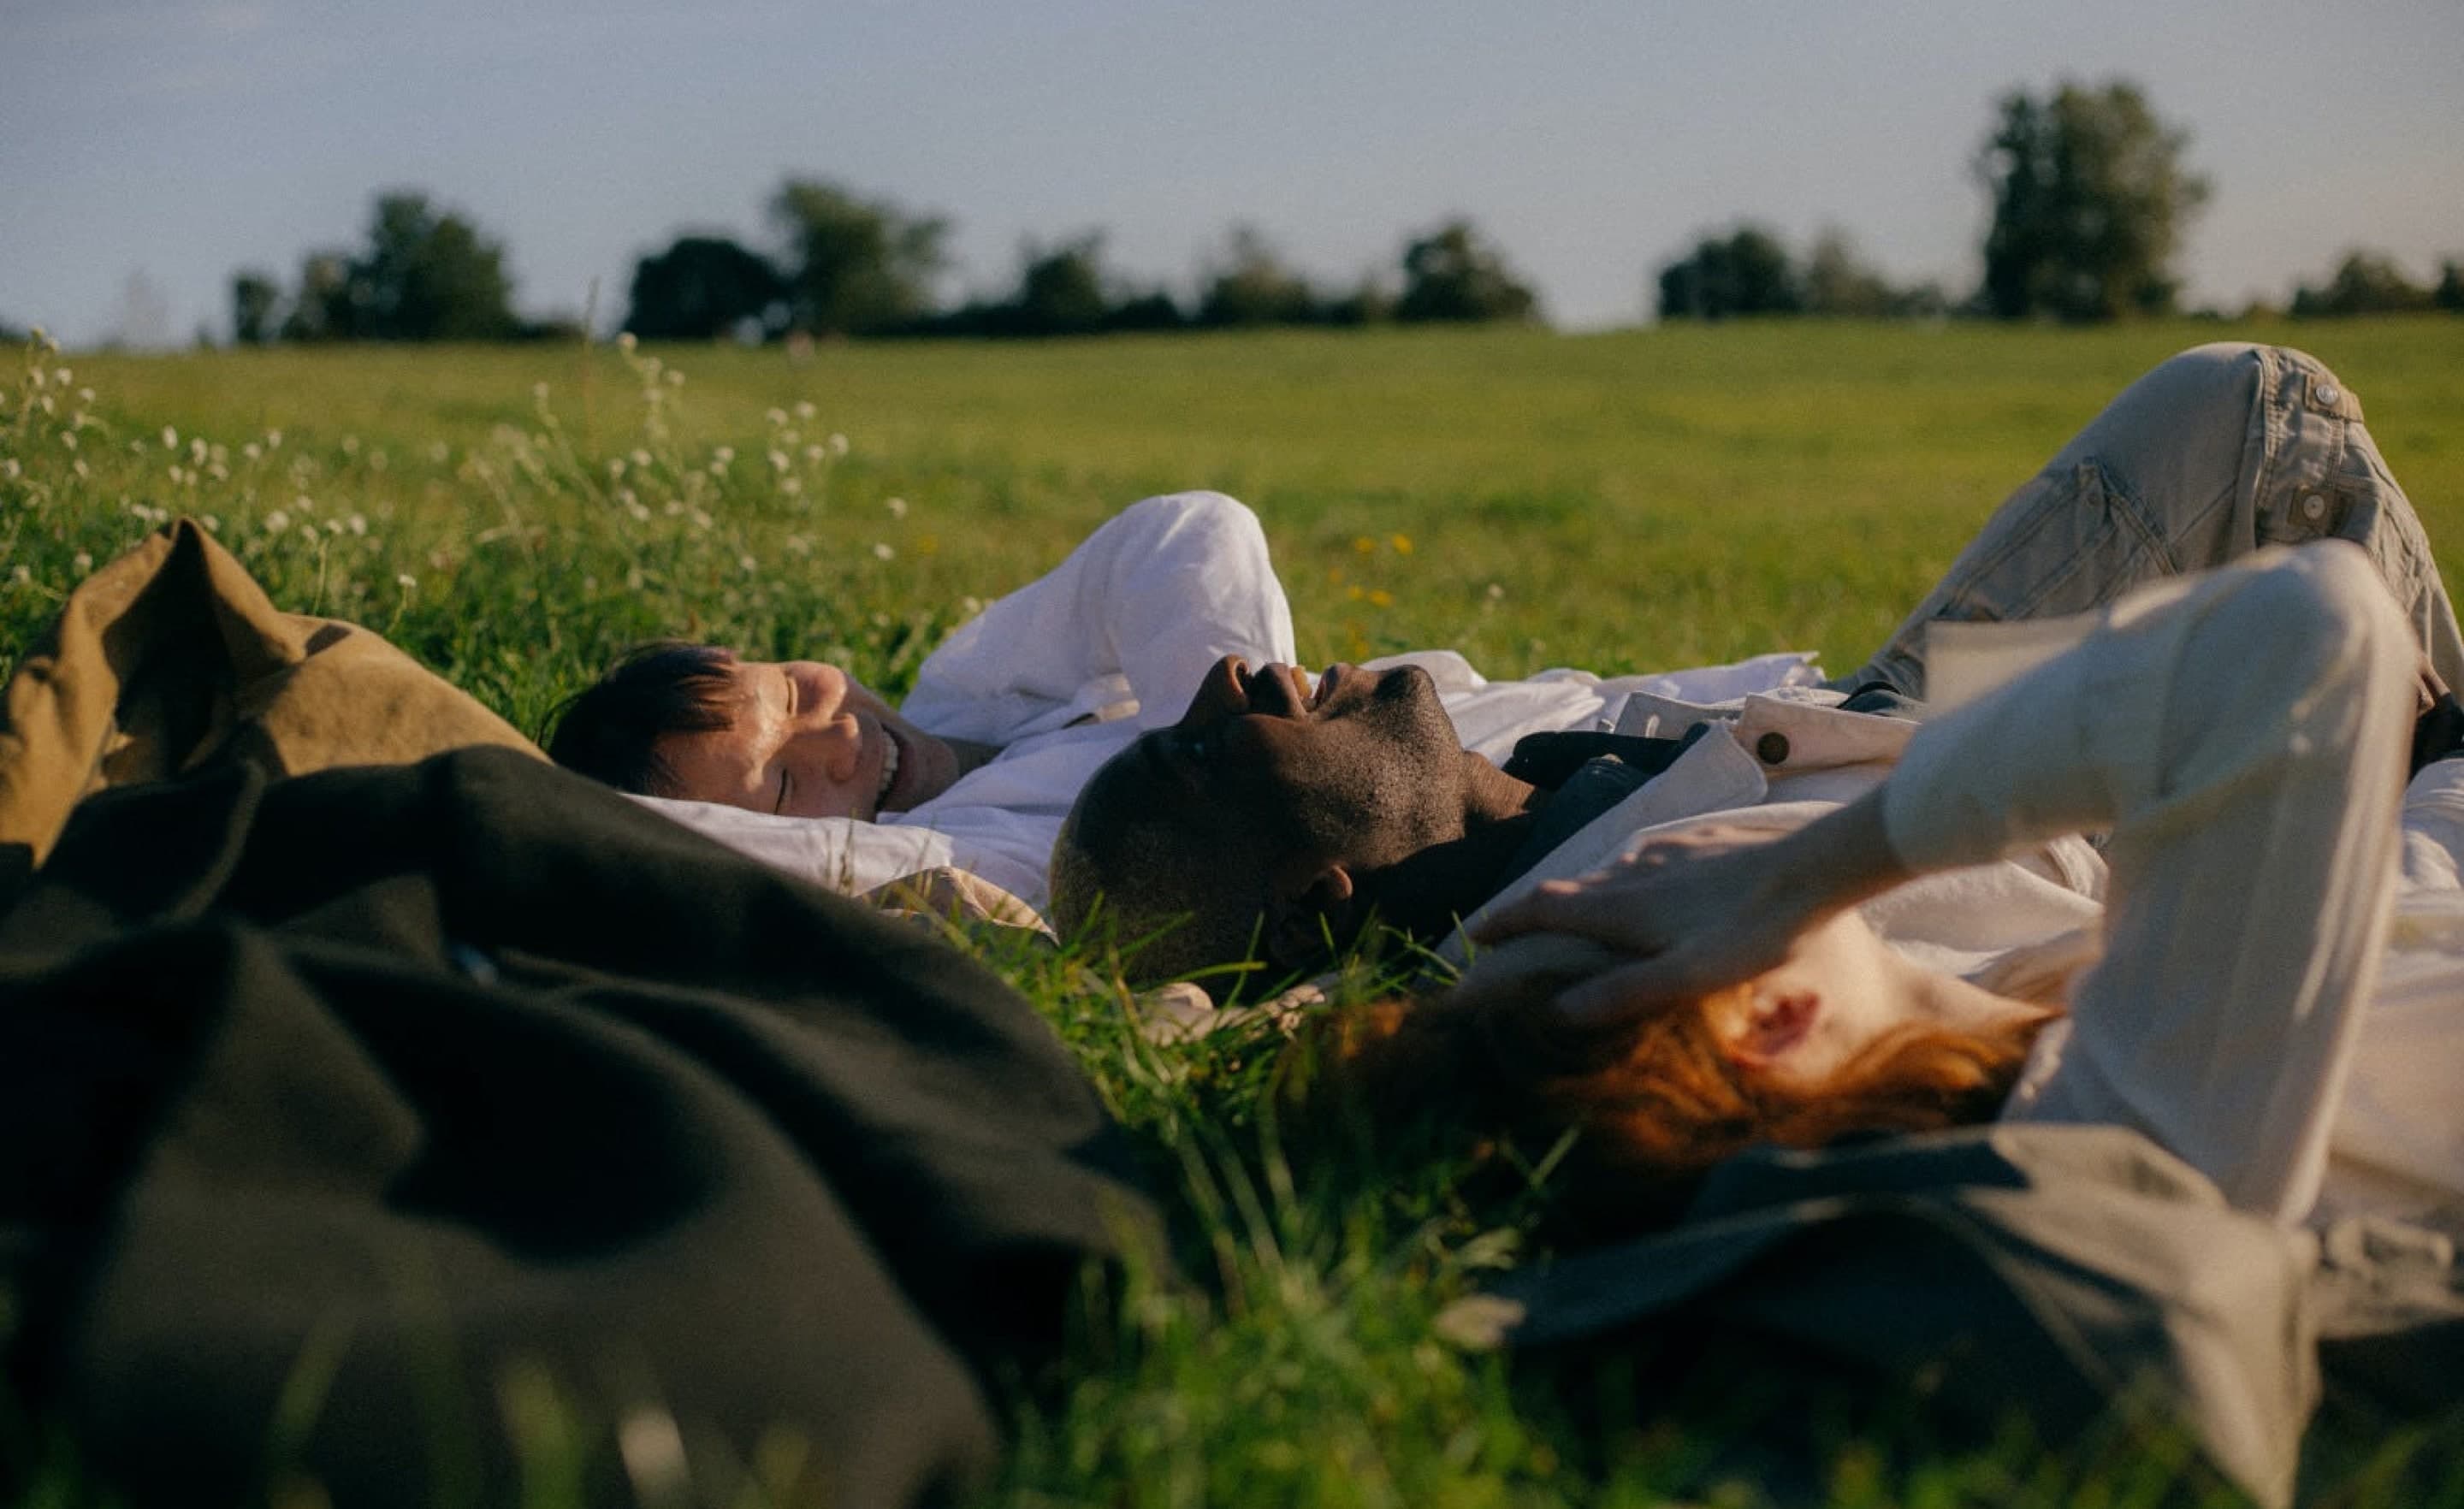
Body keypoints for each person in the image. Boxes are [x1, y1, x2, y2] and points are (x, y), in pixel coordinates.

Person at [1051, 343, 2464, 996]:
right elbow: (2060, 914)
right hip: (1976, 777)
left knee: (2244, 407)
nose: (1235, 677)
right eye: (1195, 747)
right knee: (2276, 454)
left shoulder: (1528, 764)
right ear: (1314, 904)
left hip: (1878, 713)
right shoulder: (1619, 939)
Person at [1440, 541, 2464, 1234]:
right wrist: (1795, 872)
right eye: (1636, 901)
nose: (1658, 865)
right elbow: (2311, 618)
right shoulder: (2122, 1137)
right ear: (1776, 1018)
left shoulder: (2042, 1008)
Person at [547, 490, 1813, 910]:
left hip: (1632, 708)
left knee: (1924, 672)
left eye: (799, 693)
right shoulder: (974, 853)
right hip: (1632, 801)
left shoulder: (971, 691)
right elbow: (701, 844)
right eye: (780, 782)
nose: (835, 745)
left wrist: (1242, 731)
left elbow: (1182, 533)